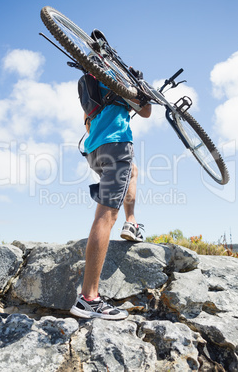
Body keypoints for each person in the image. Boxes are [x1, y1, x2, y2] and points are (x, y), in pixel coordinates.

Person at [70, 31, 152, 320]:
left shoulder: (85, 83)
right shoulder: (117, 77)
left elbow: (88, 121)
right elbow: (146, 112)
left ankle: (132, 223)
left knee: (134, 171)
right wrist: (139, 90)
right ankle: (89, 298)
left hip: (94, 150)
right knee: (105, 216)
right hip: (117, 145)